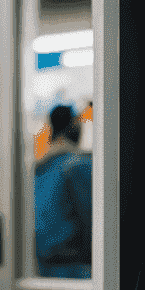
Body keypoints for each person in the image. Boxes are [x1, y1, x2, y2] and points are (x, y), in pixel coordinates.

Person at [32, 103, 92, 277]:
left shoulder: (41, 168)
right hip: (76, 269)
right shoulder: (76, 166)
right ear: (73, 126)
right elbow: (92, 218)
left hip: (44, 268)